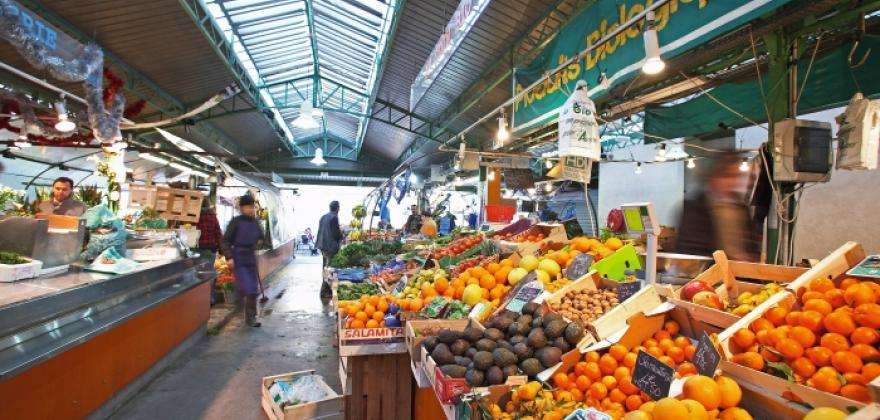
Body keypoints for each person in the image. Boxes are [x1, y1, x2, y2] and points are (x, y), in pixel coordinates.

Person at [676, 153, 759, 261]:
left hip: (740, 274)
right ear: (714, 177)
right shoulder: (694, 208)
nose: (733, 182)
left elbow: (751, 246)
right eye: (728, 176)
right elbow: (692, 251)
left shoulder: (742, 208)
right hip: (708, 275)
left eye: (736, 176)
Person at [222, 194, 266, 327]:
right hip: (238, 256)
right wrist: (229, 257)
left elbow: (261, 237)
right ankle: (240, 305)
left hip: (250, 257)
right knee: (246, 287)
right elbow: (225, 241)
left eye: (252, 207)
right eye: (248, 207)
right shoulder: (235, 222)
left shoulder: (255, 222)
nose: (251, 210)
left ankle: (251, 318)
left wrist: (260, 242)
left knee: (253, 288)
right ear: (241, 208)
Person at [196, 200, 223, 305]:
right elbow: (218, 233)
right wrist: (221, 249)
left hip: (196, 250)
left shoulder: (195, 216)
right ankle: (210, 299)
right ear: (208, 205)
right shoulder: (212, 216)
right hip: (210, 249)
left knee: (196, 274)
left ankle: (198, 299)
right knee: (209, 274)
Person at [316, 201, 343, 298]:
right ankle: (324, 291)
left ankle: (327, 289)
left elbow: (321, 231)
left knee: (326, 267)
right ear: (337, 208)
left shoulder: (324, 216)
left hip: (323, 246)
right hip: (330, 246)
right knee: (330, 269)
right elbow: (336, 234)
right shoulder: (334, 217)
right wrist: (342, 235)